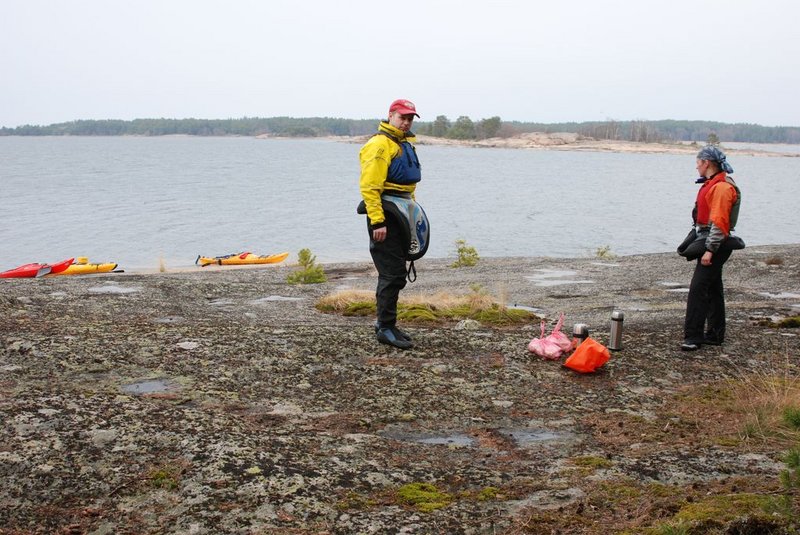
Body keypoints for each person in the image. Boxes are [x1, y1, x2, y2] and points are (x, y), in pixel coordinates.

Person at [358, 99, 422, 349]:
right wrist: (377, 222)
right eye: (401, 117)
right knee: (391, 274)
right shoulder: (380, 145)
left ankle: (389, 324)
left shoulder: (402, 144)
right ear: (390, 116)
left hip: (400, 214)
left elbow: (408, 188)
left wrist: (413, 217)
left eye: (409, 118)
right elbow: (370, 187)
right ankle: (384, 328)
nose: (406, 122)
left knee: (396, 274)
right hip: (385, 216)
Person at [681, 146, 741, 351]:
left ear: (707, 163)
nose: (696, 166)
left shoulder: (722, 187)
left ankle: (693, 337)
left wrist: (710, 250)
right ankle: (715, 334)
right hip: (710, 238)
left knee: (698, 288)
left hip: (715, 242)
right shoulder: (714, 184)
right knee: (714, 288)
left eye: (698, 162)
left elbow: (720, 222)